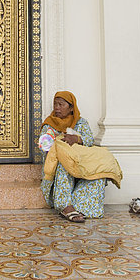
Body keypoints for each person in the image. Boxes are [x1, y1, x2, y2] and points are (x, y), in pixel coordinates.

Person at [40, 90, 106, 222]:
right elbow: (44, 146)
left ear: (71, 108)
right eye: (55, 104)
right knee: (65, 163)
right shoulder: (50, 124)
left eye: (61, 105)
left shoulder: (81, 123)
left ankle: (82, 206)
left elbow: (89, 140)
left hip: (80, 163)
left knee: (100, 169)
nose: (57, 108)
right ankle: (65, 206)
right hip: (58, 168)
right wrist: (59, 144)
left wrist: (76, 139)